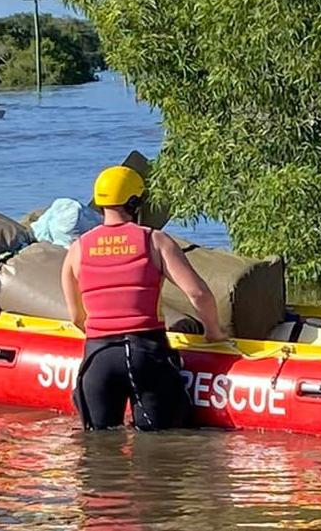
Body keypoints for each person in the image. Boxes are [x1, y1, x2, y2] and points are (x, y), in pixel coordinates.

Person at [61, 166, 228, 432]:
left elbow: (76, 318)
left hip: (98, 359)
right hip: (146, 354)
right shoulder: (155, 240)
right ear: (135, 202)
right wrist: (213, 332)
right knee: (159, 447)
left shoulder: (77, 249)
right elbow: (198, 293)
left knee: (100, 452)